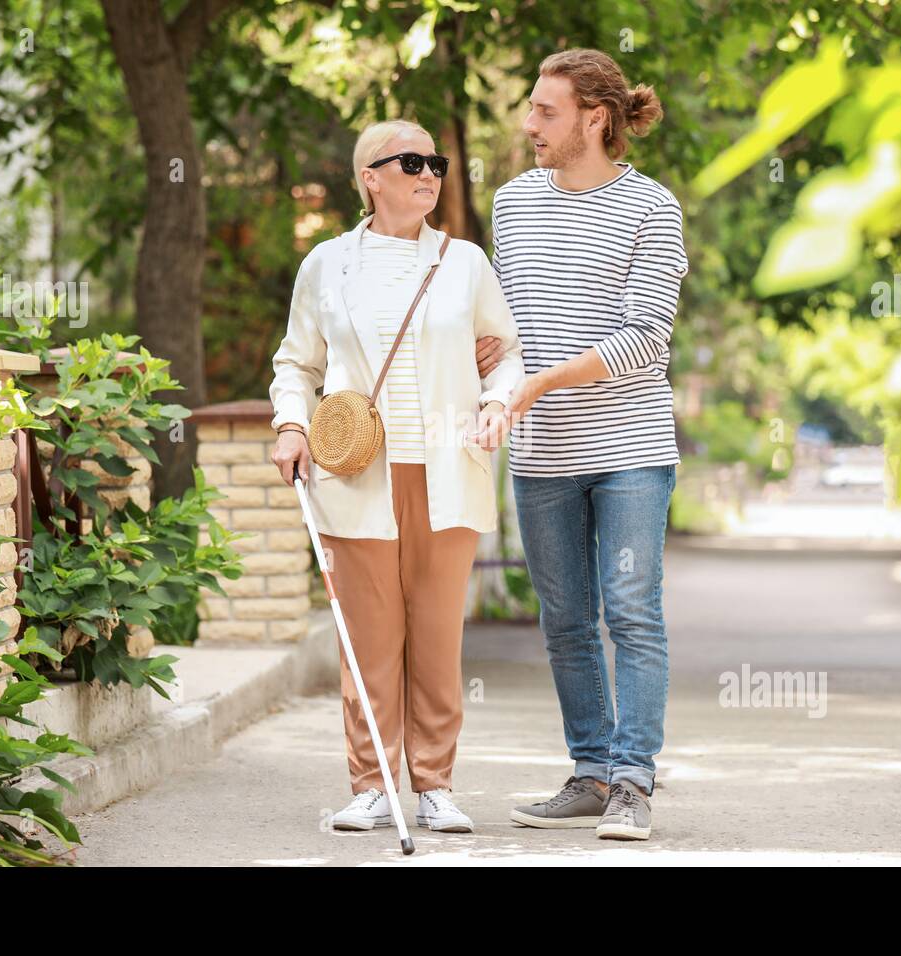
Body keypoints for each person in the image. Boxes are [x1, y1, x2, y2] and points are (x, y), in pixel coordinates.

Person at [269, 119, 524, 834]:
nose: (429, 173)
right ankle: (374, 783)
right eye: (410, 162)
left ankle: (436, 785)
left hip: (447, 469)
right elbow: (298, 363)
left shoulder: (465, 262)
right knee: (369, 636)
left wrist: (500, 401)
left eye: (436, 162)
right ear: (369, 178)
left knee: (437, 636)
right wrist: (292, 424)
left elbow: (506, 352)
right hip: (356, 474)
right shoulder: (326, 264)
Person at [480, 49, 689, 840]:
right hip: (542, 455)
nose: (528, 124)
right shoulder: (512, 204)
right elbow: (506, 327)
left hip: (630, 445)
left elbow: (646, 340)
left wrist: (537, 384)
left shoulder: (651, 208)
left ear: (594, 119)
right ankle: (592, 772)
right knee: (565, 620)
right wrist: (494, 374)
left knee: (631, 612)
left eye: (545, 111)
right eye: (530, 109)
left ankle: (635, 781)